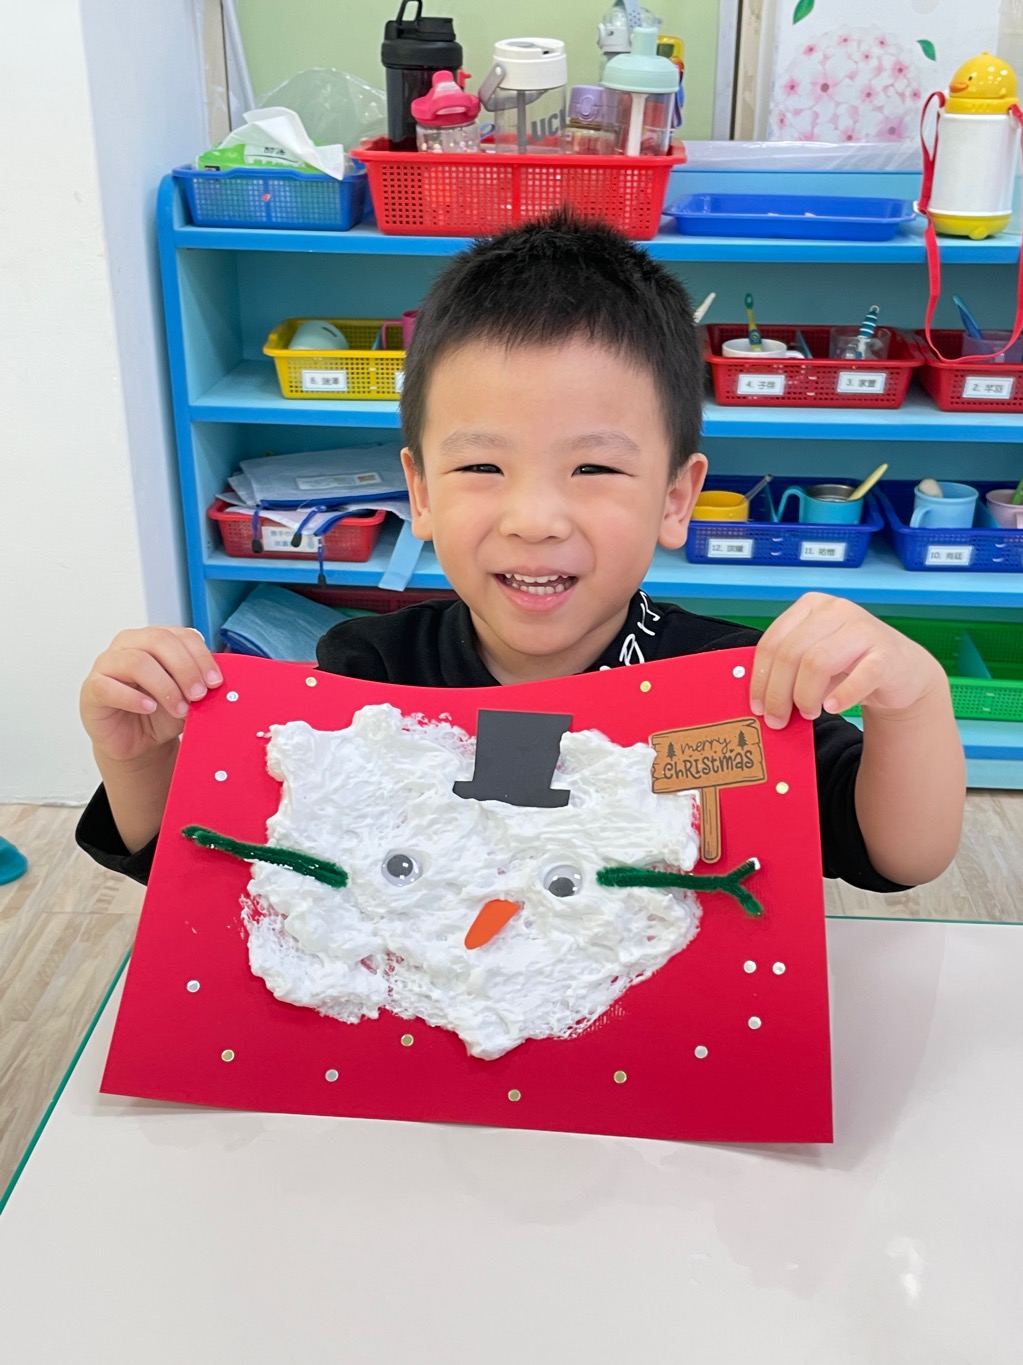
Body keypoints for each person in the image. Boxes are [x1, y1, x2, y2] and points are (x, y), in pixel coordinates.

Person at [77, 211, 965, 891]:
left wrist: (912, 696)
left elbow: (897, 853)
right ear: (421, 492)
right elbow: (228, 864)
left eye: (592, 467)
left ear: (674, 497)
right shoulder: (364, 673)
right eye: (480, 466)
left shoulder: (729, 689)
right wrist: (140, 757)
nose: (534, 518)